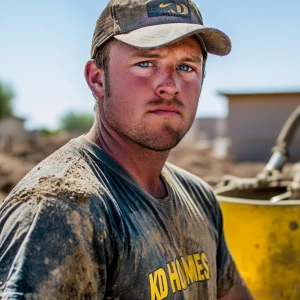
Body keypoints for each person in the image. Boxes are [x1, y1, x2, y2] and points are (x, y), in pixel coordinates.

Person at [0, 0, 253, 299]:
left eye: (186, 67)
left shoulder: (199, 197)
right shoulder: (63, 208)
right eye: (145, 63)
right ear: (97, 79)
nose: (169, 85)